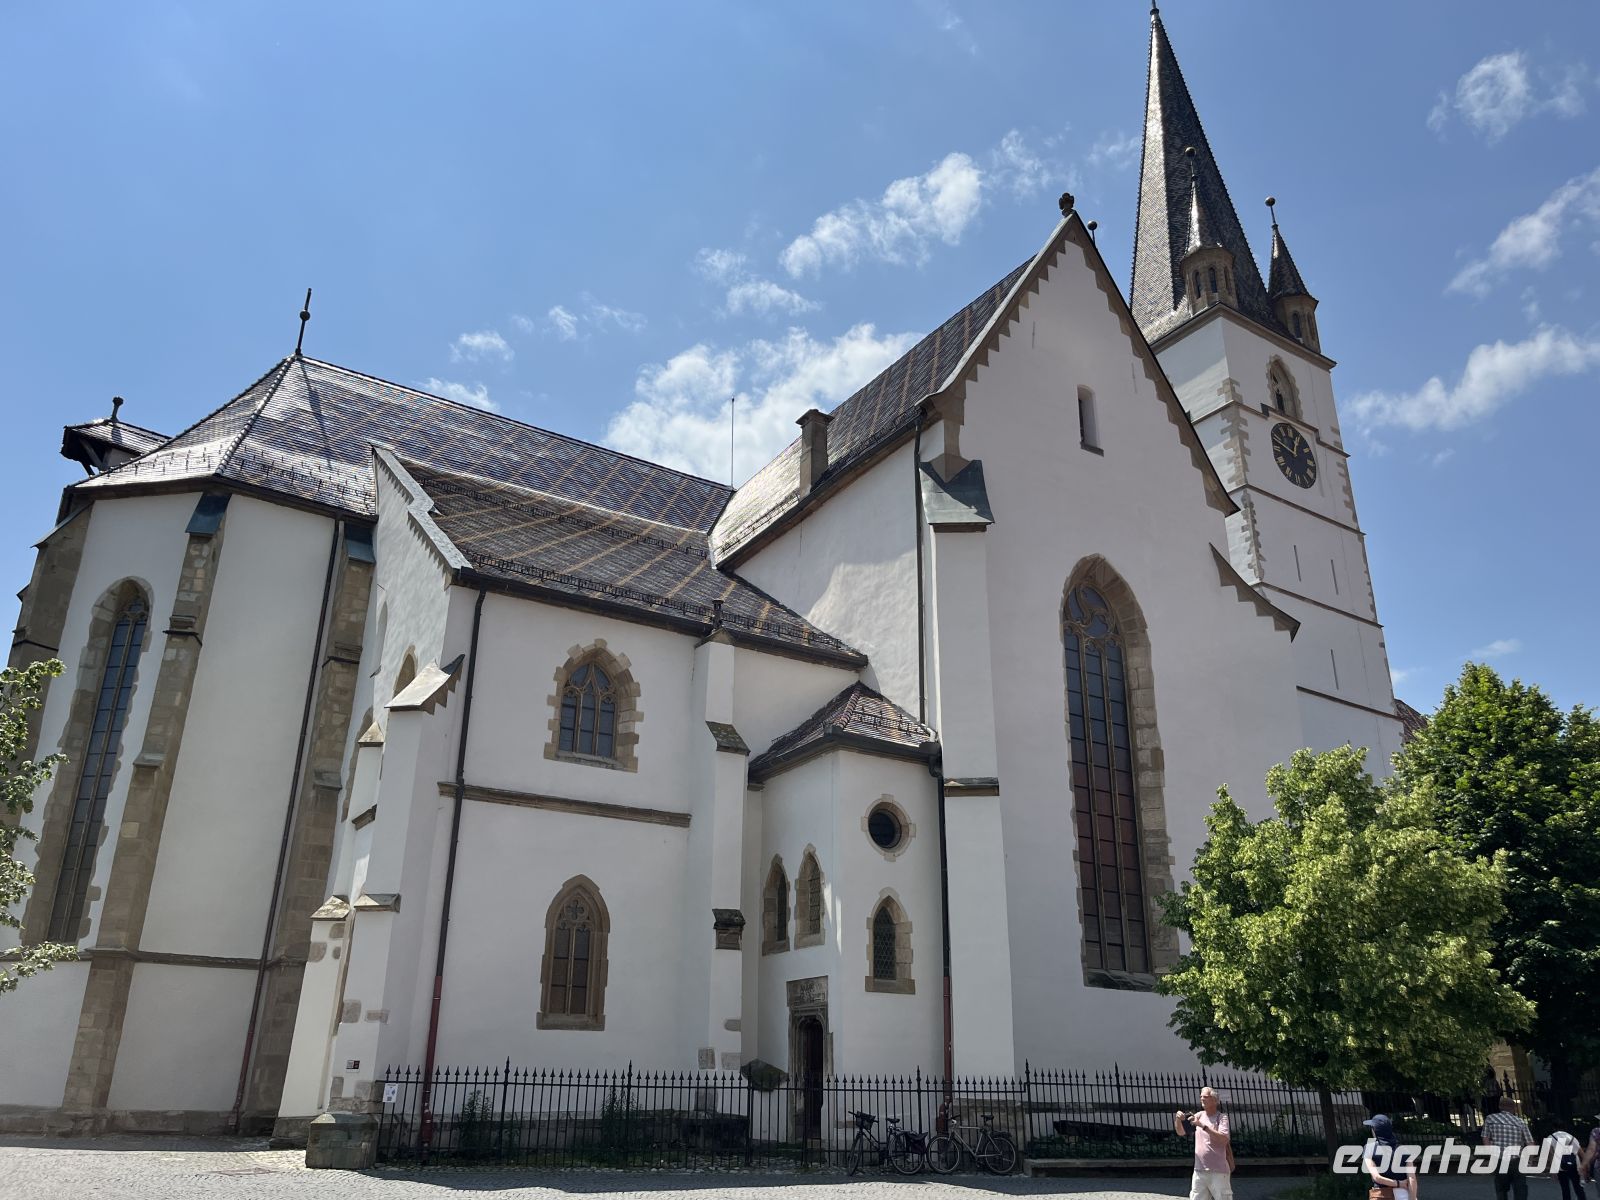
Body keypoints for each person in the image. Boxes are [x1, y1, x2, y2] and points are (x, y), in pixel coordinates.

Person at [1174, 1086, 1232, 1200]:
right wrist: (1178, 1120)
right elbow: (1181, 1132)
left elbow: (1224, 1139)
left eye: (1205, 1096)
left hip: (1218, 1171)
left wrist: (1202, 1125)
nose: (1202, 1099)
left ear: (1214, 1100)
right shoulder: (1199, 1115)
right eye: (1201, 1096)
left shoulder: (1221, 1118)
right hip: (1199, 1170)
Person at [1480, 1095, 1536, 1200]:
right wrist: (1529, 1162)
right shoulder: (1520, 1122)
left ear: (1500, 1107)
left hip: (1499, 1159)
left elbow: (1485, 1138)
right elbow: (1530, 1144)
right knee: (1520, 1189)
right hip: (1517, 1160)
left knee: (1501, 1189)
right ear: (1514, 1108)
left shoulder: (1490, 1119)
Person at [1363, 1114, 1419, 1200]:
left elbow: (1377, 1177)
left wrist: (1398, 1183)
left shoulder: (1369, 1148)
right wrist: (1412, 1198)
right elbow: (1412, 1179)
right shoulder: (1404, 1150)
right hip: (1403, 1195)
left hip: (1382, 1195)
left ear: (1375, 1130)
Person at [1546, 1126, 1587, 1200]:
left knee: (1565, 1189)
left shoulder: (1550, 1138)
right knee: (1578, 1187)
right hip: (1575, 1165)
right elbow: (1581, 1153)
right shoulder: (1572, 1138)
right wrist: (1585, 1167)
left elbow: (1551, 1155)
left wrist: (1553, 1171)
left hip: (1561, 1166)